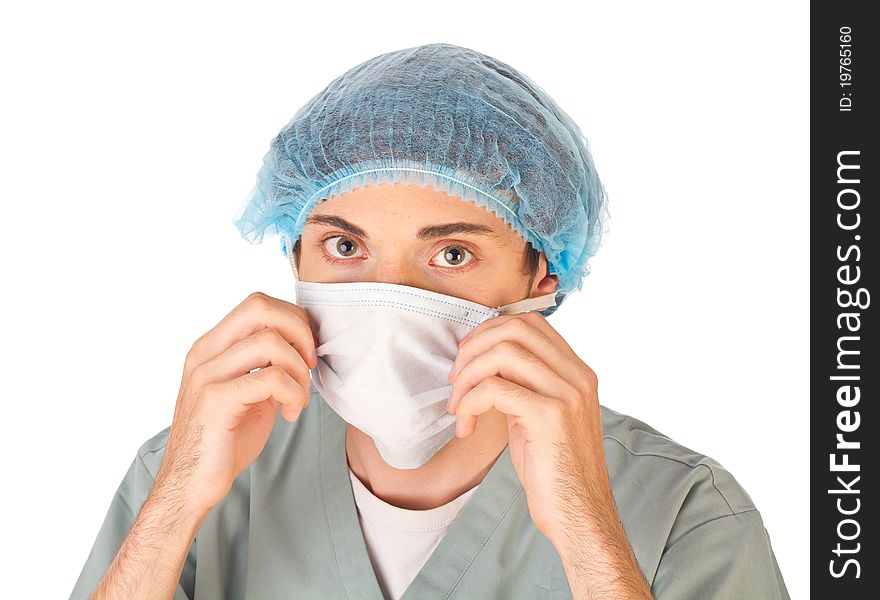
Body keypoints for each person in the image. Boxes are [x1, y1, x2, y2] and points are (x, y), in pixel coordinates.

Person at [70, 43, 790, 600]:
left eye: (450, 252)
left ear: (544, 274)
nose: (389, 297)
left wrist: (586, 531)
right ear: (294, 255)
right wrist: (175, 502)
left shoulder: (683, 511)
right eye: (345, 246)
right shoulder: (205, 467)